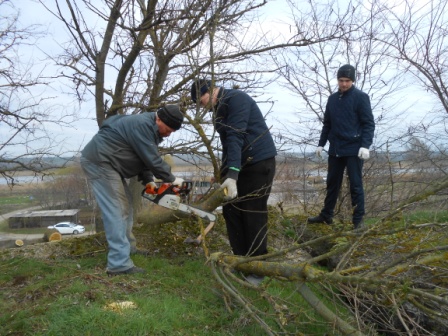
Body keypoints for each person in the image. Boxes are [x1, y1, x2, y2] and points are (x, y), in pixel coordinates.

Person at [191, 79, 277, 285]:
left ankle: (257, 268)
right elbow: (228, 145)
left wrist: (233, 174)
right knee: (231, 210)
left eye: (200, 100)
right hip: (242, 164)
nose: (201, 106)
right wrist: (223, 173)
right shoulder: (219, 109)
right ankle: (241, 260)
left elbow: (235, 135)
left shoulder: (236, 99)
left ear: (210, 90)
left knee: (252, 211)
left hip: (258, 163)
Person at [80, 105, 184, 275]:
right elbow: (152, 159)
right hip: (100, 162)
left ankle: (127, 249)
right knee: (117, 210)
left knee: (126, 206)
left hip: (111, 164)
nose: (168, 134)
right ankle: (118, 264)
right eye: (168, 129)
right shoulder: (142, 125)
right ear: (159, 119)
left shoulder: (150, 129)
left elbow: (142, 157)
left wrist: (149, 179)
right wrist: (171, 179)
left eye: (172, 132)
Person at [308, 64, 375, 229]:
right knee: (332, 183)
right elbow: (327, 124)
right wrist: (321, 143)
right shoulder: (332, 99)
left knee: (355, 185)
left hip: (354, 149)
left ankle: (358, 221)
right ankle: (326, 215)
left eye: (347, 80)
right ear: (337, 80)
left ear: (352, 80)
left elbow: (368, 124)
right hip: (336, 148)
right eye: (341, 80)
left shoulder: (361, 97)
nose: (344, 84)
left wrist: (365, 145)